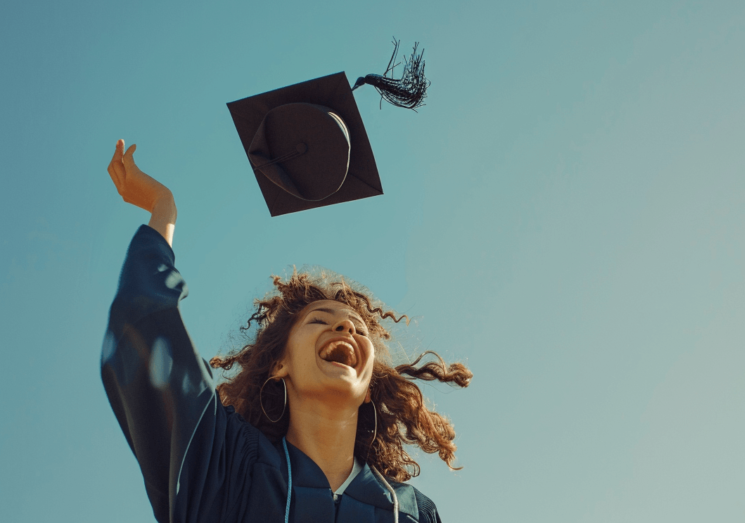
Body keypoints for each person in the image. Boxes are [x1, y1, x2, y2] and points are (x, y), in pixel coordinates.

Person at [101, 140, 471, 523]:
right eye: (318, 320)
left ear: (370, 389)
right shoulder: (225, 467)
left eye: (358, 329)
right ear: (280, 364)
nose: (344, 326)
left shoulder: (412, 512)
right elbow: (145, 325)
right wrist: (164, 207)